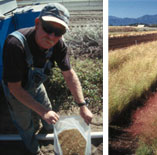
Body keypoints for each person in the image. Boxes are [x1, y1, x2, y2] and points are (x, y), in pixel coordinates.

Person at [1, 3, 93, 154]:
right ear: (37, 23)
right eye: (48, 29)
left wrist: (82, 106)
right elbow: (15, 88)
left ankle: (49, 130)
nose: (51, 36)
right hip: (16, 90)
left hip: (36, 85)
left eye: (58, 32)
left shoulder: (58, 45)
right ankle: (34, 149)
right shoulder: (16, 45)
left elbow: (69, 75)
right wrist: (42, 111)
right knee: (25, 124)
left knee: (49, 112)